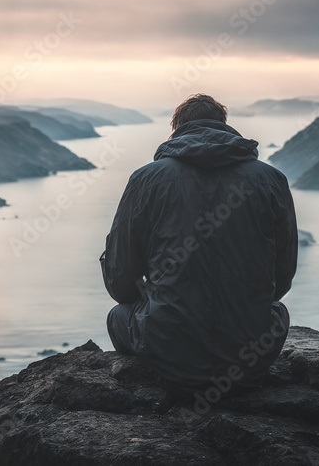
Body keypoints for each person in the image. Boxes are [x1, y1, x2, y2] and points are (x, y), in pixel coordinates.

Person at [101, 93, 297, 396]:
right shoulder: (271, 179)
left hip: (170, 352)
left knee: (118, 315)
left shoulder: (146, 179)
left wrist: (156, 294)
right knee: (277, 311)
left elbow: (120, 281)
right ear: (224, 126)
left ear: (176, 128)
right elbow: (281, 278)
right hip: (249, 357)